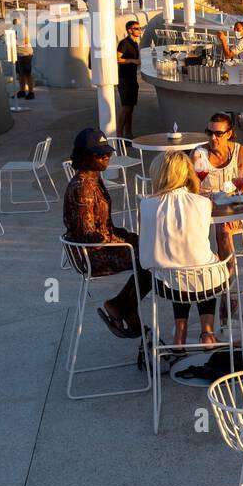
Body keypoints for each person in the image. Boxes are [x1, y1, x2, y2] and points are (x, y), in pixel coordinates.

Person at [62, 128, 151, 339]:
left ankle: (120, 304)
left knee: (150, 248)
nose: (106, 157)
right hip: (92, 255)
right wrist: (121, 240)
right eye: (99, 154)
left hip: (102, 246)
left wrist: (127, 235)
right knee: (152, 259)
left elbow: (104, 227)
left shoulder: (94, 179)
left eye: (107, 153)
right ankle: (125, 308)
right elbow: (88, 235)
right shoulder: (82, 187)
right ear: (84, 156)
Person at [138, 151, 229, 355]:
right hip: (209, 283)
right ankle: (208, 334)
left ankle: (179, 336)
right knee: (204, 265)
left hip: (169, 286)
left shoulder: (146, 205)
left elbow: (145, 254)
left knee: (176, 269)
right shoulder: (203, 203)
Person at [194, 113, 243, 267]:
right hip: (204, 208)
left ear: (230, 133)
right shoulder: (199, 154)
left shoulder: (241, 152)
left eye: (218, 133)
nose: (213, 138)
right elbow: (193, 191)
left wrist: (231, 203)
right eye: (209, 132)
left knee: (223, 230)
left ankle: (228, 276)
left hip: (231, 207)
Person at [116, 20, 142, 139]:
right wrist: (132, 61)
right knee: (126, 107)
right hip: (124, 79)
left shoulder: (135, 43)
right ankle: (119, 135)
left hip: (132, 78)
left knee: (130, 108)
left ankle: (128, 135)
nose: (139, 30)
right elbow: (117, 58)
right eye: (136, 28)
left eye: (140, 28)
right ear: (129, 30)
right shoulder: (124, 43)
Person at [15, 15, 36, 100]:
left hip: (25, 53)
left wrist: (15, 43)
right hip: (17, 54)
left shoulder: (22, 28)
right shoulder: (14, 28)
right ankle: (22, 91)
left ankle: (31, 92)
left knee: (27, 73)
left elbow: (26, 40)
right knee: (20, 74)